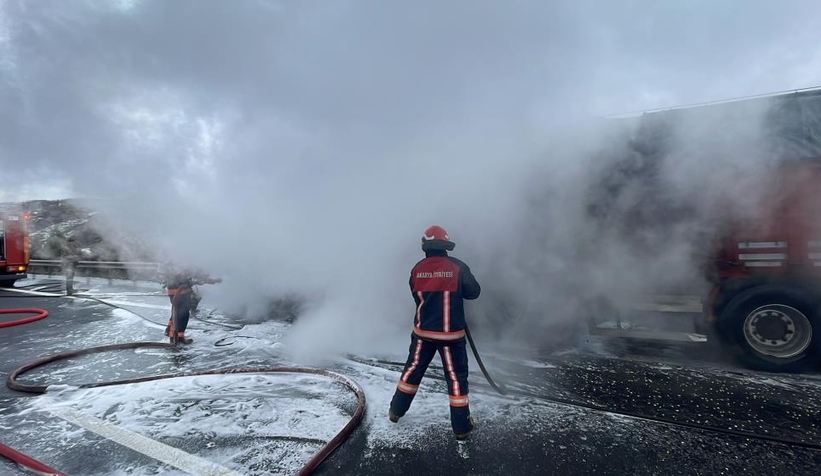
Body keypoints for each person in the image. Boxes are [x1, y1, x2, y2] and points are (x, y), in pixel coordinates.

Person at [389, 225, 481, 440]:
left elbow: (417, 296)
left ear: (425, 246)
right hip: (451, 337)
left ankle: (396, 411)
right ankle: (461, 428)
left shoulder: (417, 269)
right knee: (456, 378)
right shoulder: (458, 267)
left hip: (422, 334)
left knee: (412, 372)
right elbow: (474, 292)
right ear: (446, 246)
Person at [162, 267, 221, 345]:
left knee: (177, 312)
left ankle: (173, 333)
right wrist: (210, 281)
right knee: (183, 314)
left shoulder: (176, 262)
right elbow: (192, 277)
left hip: (176, 290)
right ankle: (177, 337)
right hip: (180, 291)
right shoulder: (184, 265)